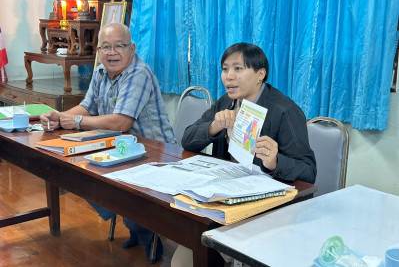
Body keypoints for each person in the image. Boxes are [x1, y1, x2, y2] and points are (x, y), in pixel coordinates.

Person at [40, 22, 176, 263]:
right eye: (106, 47)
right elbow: (87, 106)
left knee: (123, 193)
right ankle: (136, 224)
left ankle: (145, 231)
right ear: (98, 51)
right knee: (81, 173)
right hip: (121, 149)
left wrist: (78, 121)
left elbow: (120, 122)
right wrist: (59, 118)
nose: (112, 52)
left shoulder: (139, 73)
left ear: (132, 49)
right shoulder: (101, 72)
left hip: (155, 154)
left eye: (119, 46)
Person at [172, 42, 316, 266]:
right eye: (225, 69)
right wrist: (213, 127)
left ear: (260, 74)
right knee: (183, 261)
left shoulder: (284, 111)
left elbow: (308, 172)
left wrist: (275, 161)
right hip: (223, 201)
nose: (229, 76)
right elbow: (187, 140)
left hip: (267, 210)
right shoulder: (226, 103)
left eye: (238, 69)